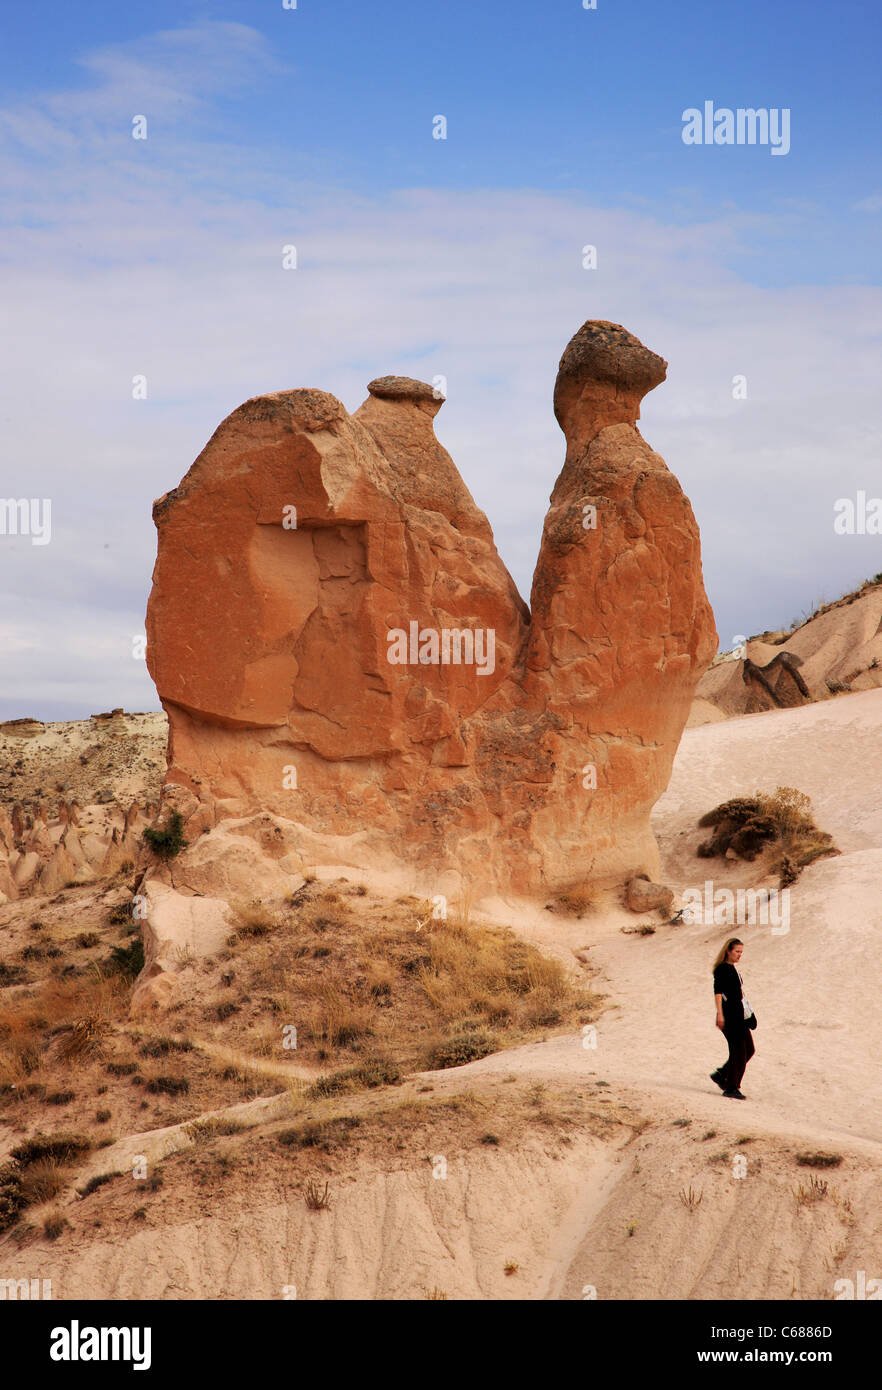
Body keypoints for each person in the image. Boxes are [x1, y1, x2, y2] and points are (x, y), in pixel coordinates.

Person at [710, 936, 755, 1099]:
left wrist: (749, 1013)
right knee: (739, 1052)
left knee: (749, 1049)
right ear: (728, 951)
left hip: (739, 1015)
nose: (739, 955)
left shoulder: (733, 969)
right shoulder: (722, 969)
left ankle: (722, 1074)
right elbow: (718, 993)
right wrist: (720, 1014)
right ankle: (731, 1087)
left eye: (741, 952)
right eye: (737, 951)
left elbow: (739, 994)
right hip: (729, 1016)